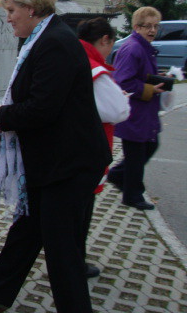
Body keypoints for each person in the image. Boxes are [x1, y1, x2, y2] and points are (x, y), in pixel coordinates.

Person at [0, 0, 111, 313]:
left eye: (11, 10)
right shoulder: (43, 38)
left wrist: (1, 114)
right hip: (53, 162)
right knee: (27, 231)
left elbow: (43, 108)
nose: (8, 18)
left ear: (31, 7)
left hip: (69, 166)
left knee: (63, 252)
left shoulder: (54, 42)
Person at [77, 17, 131, 278]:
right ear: (105, 40)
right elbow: (118, 111)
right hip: (88, 151)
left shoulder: (73, 58)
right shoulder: (94, 69)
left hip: (73, 150)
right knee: (80, 214)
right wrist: (121, 98)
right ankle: (73, 264)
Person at [107, 7, 166, 210]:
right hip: (134, 112)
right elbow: (123, 81)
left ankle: (117, 176)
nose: (152, 30)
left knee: (148, 147)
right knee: (136, 156)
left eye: (155, 26)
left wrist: (157, 79)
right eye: (147, 26)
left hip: (144, 112)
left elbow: (139, 75)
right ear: (136, 27)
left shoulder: (143, 47)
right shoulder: (133, 48)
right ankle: (132, 195)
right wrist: (149, 89)